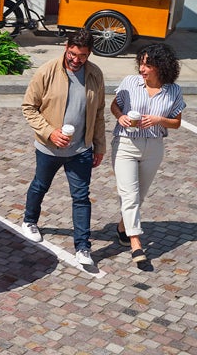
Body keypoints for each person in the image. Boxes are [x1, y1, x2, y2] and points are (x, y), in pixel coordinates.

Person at [20, 28, 106, 266]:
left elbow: (98, 112)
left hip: (80, 150)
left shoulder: (95, 74)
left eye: (83, 56)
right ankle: (29, 220)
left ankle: (83, 247)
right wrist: (50, 132)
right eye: (73, 54)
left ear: (89, 55)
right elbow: (29, 107)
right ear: (66, 48)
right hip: (49, 148)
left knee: (81, 197)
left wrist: (99, 146)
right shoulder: (47, 71)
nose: (77, 60)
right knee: (40, 185)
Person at [110, 43, 185, 269]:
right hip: (125, 143)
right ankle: (136, 243)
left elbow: (177, 122)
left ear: (160, 67)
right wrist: (120, 116)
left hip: (154, 146)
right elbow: (115, 106)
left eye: (148, 64)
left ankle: (123, 228)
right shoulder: (130, 83)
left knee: (139, 196)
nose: (142, 68)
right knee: (130, 195)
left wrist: (158, 119)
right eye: (141, 63)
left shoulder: (173, 90)